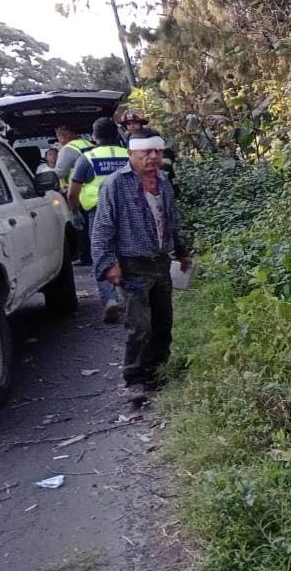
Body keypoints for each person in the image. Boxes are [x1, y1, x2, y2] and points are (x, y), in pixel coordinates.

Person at [92, 128, 191, 400]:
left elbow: (171, 221)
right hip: (132, 265)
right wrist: (109, 265)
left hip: (159, 262)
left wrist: (181, 252)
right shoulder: (115, 184)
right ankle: (134, 378)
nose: (153, 157)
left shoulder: (163, 182)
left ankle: (157, 371)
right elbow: (102, 229)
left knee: (163, 322)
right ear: (131, 154)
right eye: (146, 152)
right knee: (139, 326)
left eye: (158, 151)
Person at [69, 118, 130, 323]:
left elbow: (73, 190)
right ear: (116, 135)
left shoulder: (87, 157)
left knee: (102, 255)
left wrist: (75, 212)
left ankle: (110, 300)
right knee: (127, 253)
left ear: (94, 136)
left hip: (99, 213)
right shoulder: (128, 155)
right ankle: (131, 298)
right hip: (128, 212)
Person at [54, 123, 95, 263]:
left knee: (80, 227)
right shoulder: (89, 144)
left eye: (59, 136)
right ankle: (92, 254)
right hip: (92, 190)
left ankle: (84, 256)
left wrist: (44, 174)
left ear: (65, 136)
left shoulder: (68, 149)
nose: (59, 139)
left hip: (76, 192)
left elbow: (60, 172)